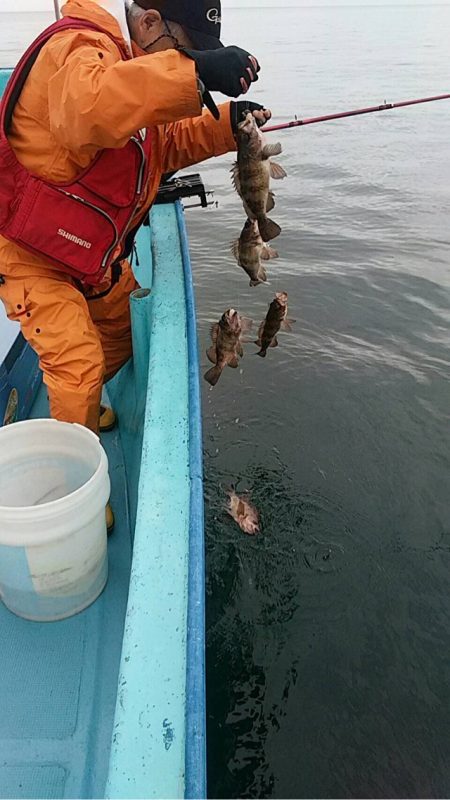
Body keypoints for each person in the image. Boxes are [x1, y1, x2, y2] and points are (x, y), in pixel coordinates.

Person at [0, 0, 271, 528]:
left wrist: (226, 124)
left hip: (87, 252)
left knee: (121, 336)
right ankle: (74, 493)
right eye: (183, 46)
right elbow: (90, 109)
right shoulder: (76, 49)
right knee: (76, 363)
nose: (188, 61)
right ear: (148, 23)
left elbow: (164, 143)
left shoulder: (136, 73)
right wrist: (192, 71)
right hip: (30, 253)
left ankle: (76, 411)